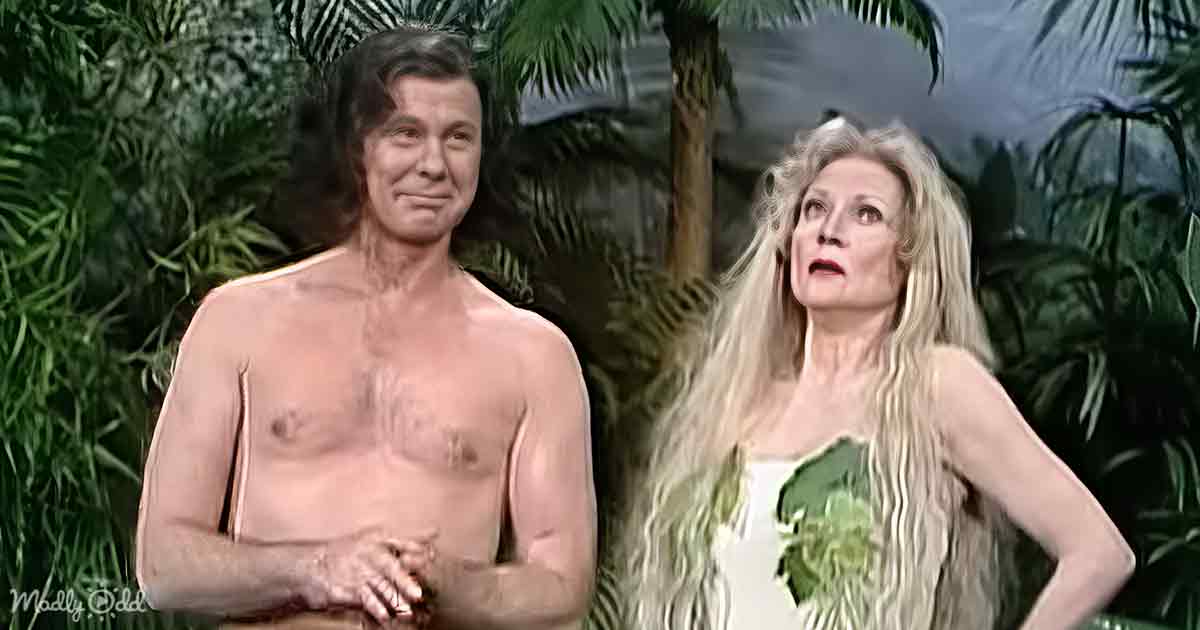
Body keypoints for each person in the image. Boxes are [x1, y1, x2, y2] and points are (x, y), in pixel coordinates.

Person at [134, 25, 597, 630]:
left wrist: (453, 584)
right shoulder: (237, 321)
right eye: (406, 134)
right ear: (356, 147)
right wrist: (314, 569)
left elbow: (562, 588)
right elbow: (163, 563)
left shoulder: (535, 355)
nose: (434, 165)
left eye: (458, 138)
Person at [621, 118, 1135, 630]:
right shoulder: (740, 399)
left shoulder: (936, 387)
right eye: (814, 209)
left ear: (909, 257)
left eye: (865, 214)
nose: (829, 231)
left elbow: (1098, 552)